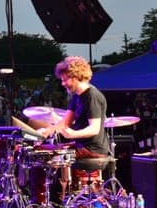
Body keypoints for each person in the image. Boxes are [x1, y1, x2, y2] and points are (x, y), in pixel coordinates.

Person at [38, 56, 108, 189]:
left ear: (76, 77)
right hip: (82, 146)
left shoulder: (91, 96)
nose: (63, 83)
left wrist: (73, 134)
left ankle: (56, 199)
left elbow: (94, 129)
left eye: (65, 80)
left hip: (92, 149)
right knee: (42, 150)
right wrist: (45, 132)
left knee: (51, 155)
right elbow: (65, 123)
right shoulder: (77, 96)